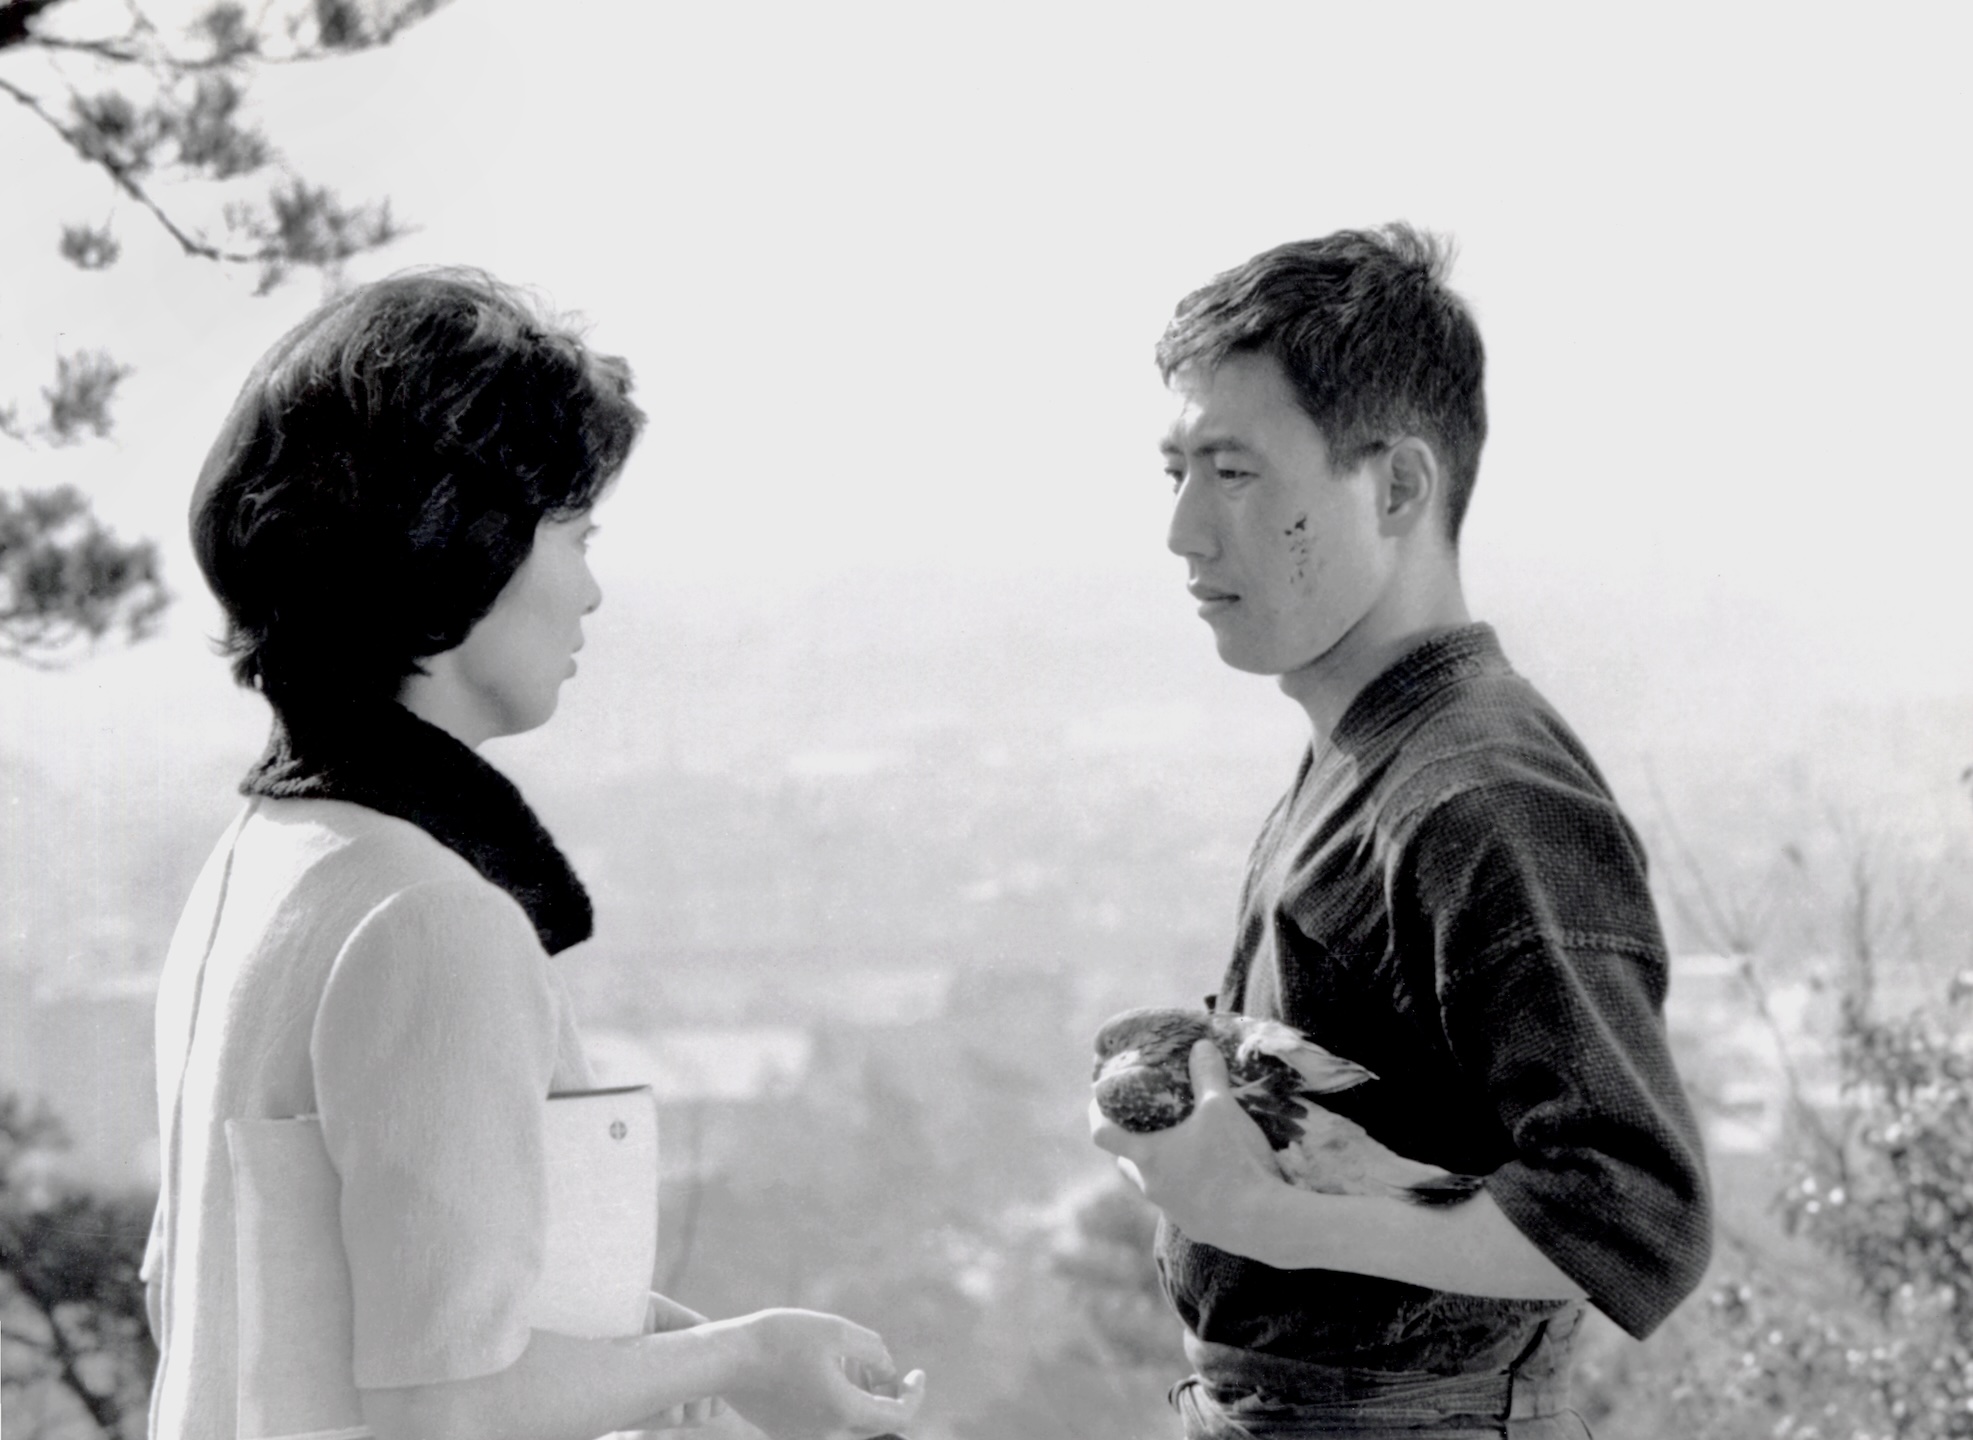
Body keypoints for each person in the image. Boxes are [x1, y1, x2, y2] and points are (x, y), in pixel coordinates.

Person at [144, 270, 926, 1440]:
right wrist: (748, 1356)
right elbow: (446, 1406)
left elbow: (233, 1300)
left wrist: (678, 1358)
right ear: (465, 540)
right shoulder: (426, 916)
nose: (592, 591)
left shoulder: (264, 862)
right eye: (575, 532)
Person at [1088, 226, 1712, 1439]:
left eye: (1233, 471)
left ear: (1395, 488)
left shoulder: (1482, 796)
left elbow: (1634, 1214)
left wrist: (1259, 1218)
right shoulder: (1374, 748)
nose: (1183, 530)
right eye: (1174, 471)